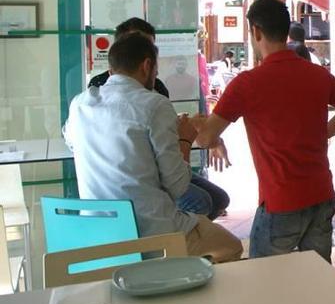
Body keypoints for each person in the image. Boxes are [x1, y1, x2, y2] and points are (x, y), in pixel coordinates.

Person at [193, 0, 335, 263]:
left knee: (266, 283)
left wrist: (198, 124)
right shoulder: (318, 75)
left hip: (281, 201)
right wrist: (323, 133)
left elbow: (204, 139)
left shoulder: (247, 84)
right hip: (321, 195)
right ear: (285, 30)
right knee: (317, 281)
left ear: (256, 31)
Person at [65, 33, 242, 262]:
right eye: (156, 67)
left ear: (112, 69)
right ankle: (181, 283)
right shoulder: (154, 104)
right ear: (147, 65)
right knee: (231, 247)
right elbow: (177, 186)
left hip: (99, 233)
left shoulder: (80, 104)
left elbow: (71, 142)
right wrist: (185, 140)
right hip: (150, 234)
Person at [88, 17, 229, 220]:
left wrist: (210, 135)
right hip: (134, 181)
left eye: (150, 47)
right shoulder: (98, 87)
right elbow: (175, 180)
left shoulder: (156, 87)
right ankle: (178, 243)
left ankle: (186, 241)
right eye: (139, 46)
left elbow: (167, 129)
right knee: (202, 202)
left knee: (219, 199)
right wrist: (186, 140)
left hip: (159, 167)